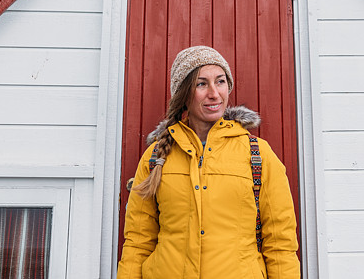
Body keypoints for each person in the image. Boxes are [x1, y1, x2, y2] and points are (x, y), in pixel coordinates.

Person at [118, 46, 300, 279]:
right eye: (201, 84)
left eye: (220, 81)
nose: (214, 93)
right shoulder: (156, 157)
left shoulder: (258, 154)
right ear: (184, 94)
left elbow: (280, 243)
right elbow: (138, 242)